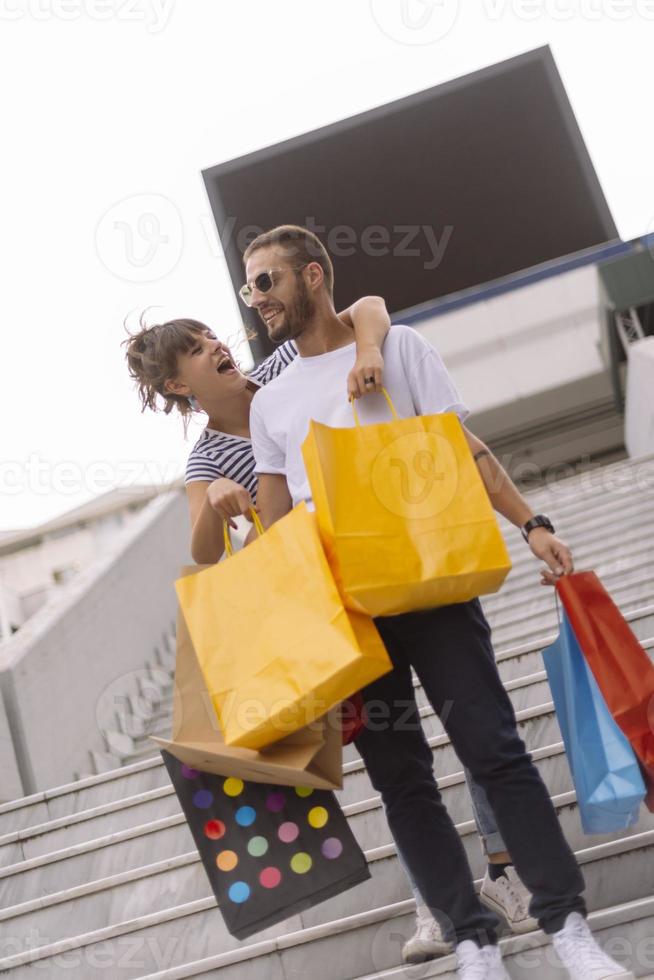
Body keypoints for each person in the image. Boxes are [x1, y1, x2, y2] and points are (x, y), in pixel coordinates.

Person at [243, 224, 635, 980]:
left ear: (313, 277)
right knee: (402, 781)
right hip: (350, 614)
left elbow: (463, 446)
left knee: (494, 750)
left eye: (268, 281)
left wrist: (532, 523)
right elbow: (275, 527)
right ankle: (471, 941)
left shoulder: (399, 349)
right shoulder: (270, 403)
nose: (256, 299)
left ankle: (568, 927)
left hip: (432, 583)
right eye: (248, 286)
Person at [123, 299, 536, 963]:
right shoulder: (207, 460)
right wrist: (221, 509)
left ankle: (506, 871)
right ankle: (438, 901)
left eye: (209, 336)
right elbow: (204, 552)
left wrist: (369, 351)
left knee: (478, 732)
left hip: (398, 559)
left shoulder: (287, 365)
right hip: (331, 610)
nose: (215, 346)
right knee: (399, 767)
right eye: (196, 350)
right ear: (178, 384)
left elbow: (369, 308)